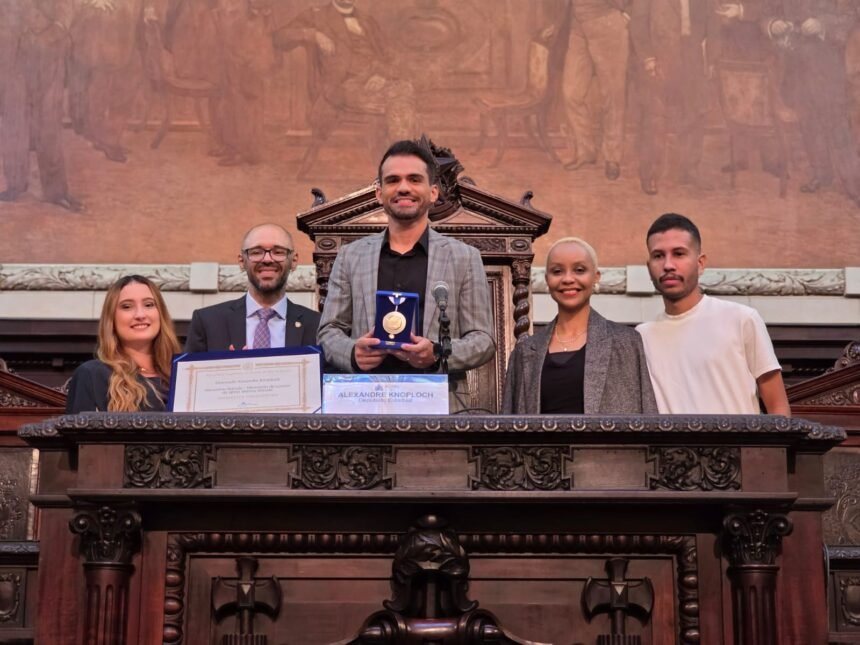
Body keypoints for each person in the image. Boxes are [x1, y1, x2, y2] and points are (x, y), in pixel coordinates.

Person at [316, 139, 496, 411]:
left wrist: (436, 353)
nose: (403, 188)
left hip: (439, 409)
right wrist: (353, 354)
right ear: (379, 193)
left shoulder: (464, 258)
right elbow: (328, 331)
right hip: (363, 405)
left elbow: (483, 340)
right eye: (392, 180)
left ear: (433, 192)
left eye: (414, 179)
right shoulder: (350, 256)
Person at [637, 213, 791, 415]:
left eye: (679, 254)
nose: (668, 265)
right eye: (658, 256)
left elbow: (778, 407)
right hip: (669, 447)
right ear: (649, 268)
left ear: (700, 263)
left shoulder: (741, 319)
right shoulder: (641, 337)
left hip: (739, 445)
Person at [502, 238, 657, 414]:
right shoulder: (524, 352)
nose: (568, 279)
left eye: (579, 270)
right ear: (547, 280)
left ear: (595, 277)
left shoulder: (626, 343)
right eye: (557, 271)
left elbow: (648, 419)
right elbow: (509, 429)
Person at [185, 223, 320, 352]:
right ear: (242, 261)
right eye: (256, 252)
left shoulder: (317, 325)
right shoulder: (208, 322)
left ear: (294, 261)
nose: (267, 259)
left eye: (278, 252)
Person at [66, 275, 181, 413]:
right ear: (111, 319)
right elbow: (80, 432)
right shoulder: (94, 374)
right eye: (127, 307)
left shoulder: (182, 375)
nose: (140, 315)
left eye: (149, 305)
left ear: (160, 314)